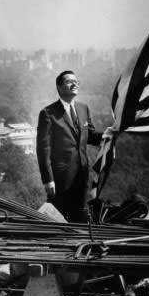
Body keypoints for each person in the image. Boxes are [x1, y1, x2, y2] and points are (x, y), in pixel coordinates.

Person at [36, 70, 112, 222]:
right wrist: (48, 180)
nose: (74, 84)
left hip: (82, 174)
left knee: (81, 217)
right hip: (60, 178)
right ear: (59, 87)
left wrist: (106, 135)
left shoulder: (83, 108)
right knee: (58, 218)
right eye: (69, 82)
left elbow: (88, 135)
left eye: (76, 82)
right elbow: (43, 150)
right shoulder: (48, 113)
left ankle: (79, 244)